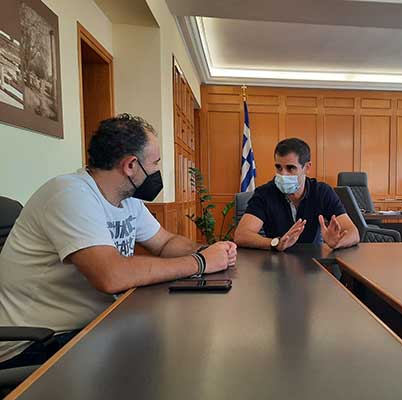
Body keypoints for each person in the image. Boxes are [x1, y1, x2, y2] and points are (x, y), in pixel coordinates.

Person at [0, 114, 237, 367]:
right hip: (37, 344)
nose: (157, 171)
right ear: (131, 165)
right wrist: (201, 262)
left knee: (180, 338)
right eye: (155, 163)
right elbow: (111, 275)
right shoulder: (69, 194)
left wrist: (211, 250)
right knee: (173, 355)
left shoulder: (128, 200)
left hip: (95, 326)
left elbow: (165, 243)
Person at [234, 138, 359, 251]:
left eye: (290, 168)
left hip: (312, 262)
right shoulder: (264, 193)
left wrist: (338, 242)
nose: (283, 174)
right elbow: (241, 235)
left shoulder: (322, 192)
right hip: (276, 261)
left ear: (307, 167)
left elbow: (353, 233)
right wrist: (275, 243)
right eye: (279, 167)